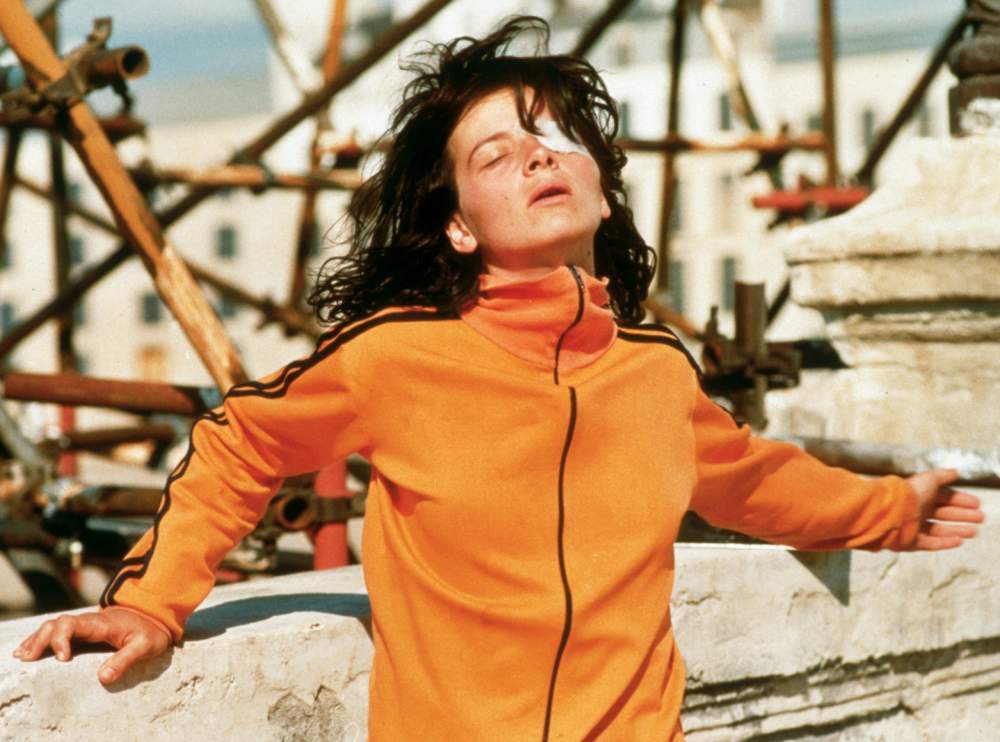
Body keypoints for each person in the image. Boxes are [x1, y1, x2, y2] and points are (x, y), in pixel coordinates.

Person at [13, 17, 984, 740]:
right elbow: (241, 444)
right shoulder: (397, 357)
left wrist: (892, 510)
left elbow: (754, 481)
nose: (536, 155)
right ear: (459, 226)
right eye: (496, 153)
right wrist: (150, 602)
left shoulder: (654, 374)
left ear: (603, 189)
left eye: (556, 138)